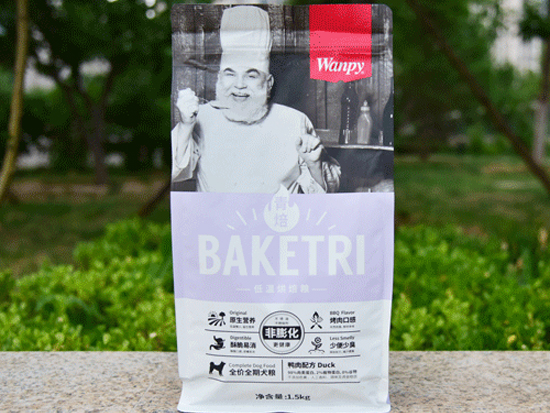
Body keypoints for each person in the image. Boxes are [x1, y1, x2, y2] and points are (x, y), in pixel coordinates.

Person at [171, 6, 340, 194]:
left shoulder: (295, 121)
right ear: (219, 78)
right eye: (230, 74)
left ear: (268, 83)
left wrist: (314, 165)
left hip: (276, 214)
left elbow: (325, 195)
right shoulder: (201, 118)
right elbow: (175, 172)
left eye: (251, 75)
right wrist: (186, 125)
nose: (239, 85)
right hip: (216, 214)